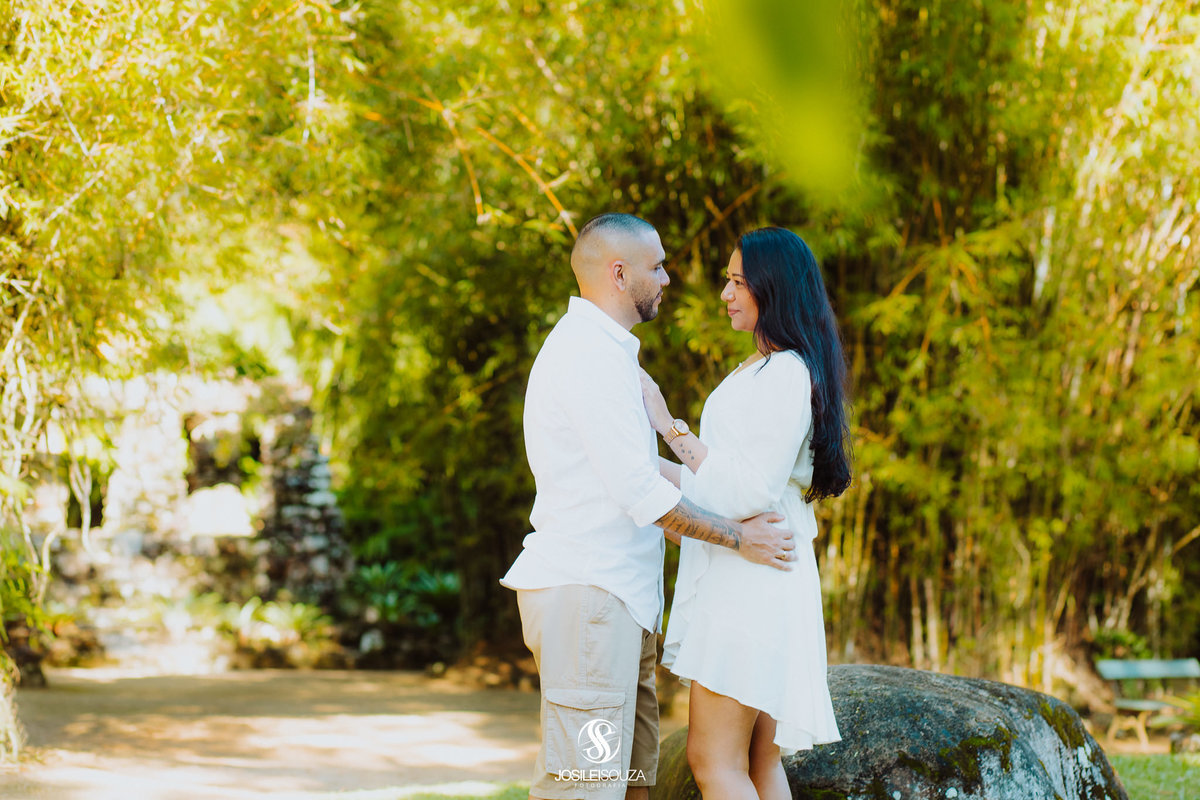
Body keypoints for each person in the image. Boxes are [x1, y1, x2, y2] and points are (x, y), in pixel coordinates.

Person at [501, 213, 800, 800]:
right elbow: (642, 495)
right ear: (619, 273)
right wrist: (742, 539)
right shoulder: (588, 355)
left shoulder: (611, 357)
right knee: (585, 787)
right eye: (657, 266)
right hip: (590, 602)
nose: (668, 278)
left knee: (631, 786)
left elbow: (638, 477)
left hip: (618, 606)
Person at [639, 226, 852, 800]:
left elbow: (747, 490)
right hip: (755, 575)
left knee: (714, 761)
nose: (726, 294)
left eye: (738, 281)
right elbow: (720, 481)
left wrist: (669, 426)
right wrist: (641, 466)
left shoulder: (785, 372)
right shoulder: (765, 369)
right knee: (758, 764)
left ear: (772, 288)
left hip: (751, 585)